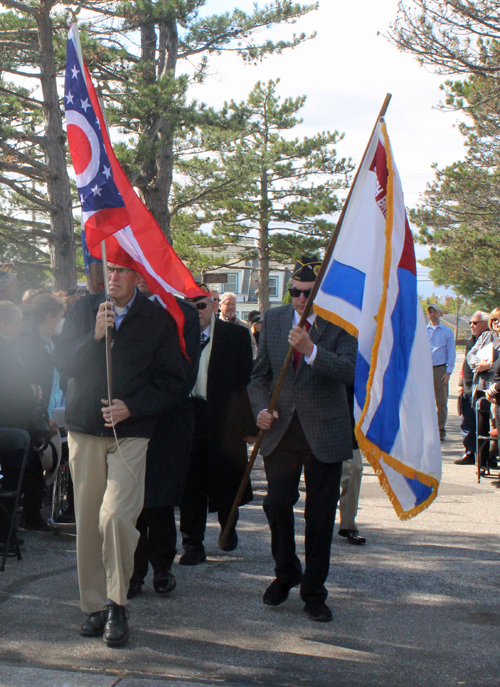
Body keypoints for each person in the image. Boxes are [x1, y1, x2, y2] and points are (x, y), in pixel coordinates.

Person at [55, 265, 186, 647]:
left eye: (123, 271)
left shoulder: (157, 318)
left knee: (116, 516)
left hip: (131, 434)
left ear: (137, 277)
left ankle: (117, 604)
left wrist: (133, 406)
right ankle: (93, 607)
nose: (113, 277)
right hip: (84, 429)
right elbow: (63, 365)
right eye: (110, 269)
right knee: (88, 519)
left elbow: (173, 382)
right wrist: (94, 337)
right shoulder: (83, 310)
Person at [248, 255, 357, 623]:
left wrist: (311, 350)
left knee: (320, 516)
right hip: (281, 432)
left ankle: (314, 591)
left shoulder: (340, 322)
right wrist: (261, 408)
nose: (299, 299)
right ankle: (286, 571)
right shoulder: (275, 320)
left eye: (307, 293)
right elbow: (258, 376)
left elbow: (350, 370)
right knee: (276, 504)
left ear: (320, 294)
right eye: (294, 291)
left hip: (324, 431)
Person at [128, 278, 200, 599]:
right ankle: (132, 571)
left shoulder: (184, 313)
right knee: (132, 500)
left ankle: (161, 567)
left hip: (168, 420)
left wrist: (143, 402)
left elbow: (184, 374)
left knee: (160, 499)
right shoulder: (123, 311)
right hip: (129, 419)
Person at [179, 285, 256, 565]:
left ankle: (228, 524)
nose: (196, 312)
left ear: (213, 306)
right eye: (189, 306)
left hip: (225, 417)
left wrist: (250, 425)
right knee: (191, 483)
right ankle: (192, 544)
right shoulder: (176, 335)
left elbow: (246, 380)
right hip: (190, 415)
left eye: (200, 306)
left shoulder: (235, 335)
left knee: (228, 476)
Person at [17, 293, 66, 530]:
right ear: (49, 317)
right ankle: (32, 514)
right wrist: (44, 415)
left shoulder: (54, 343)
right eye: (60, 316)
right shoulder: (30, 345)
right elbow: (33, 385)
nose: (62, 321)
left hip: (57, 410)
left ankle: (40, 510)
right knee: (36, 463)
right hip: (36, 414)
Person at [455, 312, 490, 465]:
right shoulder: (472, 341)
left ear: (485, 323)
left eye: (475, 323)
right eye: (470, 322)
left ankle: (485, 456)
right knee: (466, 422)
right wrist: (460, 383)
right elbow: (465, 364)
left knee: (483, 423)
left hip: (482, 387)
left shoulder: (490, 341)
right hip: (467, 386)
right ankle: (469, 453)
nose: (471, 326)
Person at [467, 308, 500, 469]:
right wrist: (478, 364)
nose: (496, 323)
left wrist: (490, 365)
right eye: (494, 320)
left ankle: (494, 458)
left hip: (496, 388)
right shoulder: (487, 336)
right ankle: (482, 462)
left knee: (496, 425)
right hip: (482, 386)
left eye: (499, 319)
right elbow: (471, 354)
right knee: (482, 426)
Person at [338, 386, 365, 545]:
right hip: (319, 421)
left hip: (350, 423)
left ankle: (348, 525)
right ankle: (319, 524)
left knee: (355, 468)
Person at [426, 304, 456, 441]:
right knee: (426, 402)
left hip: (440, 369)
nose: (432, 314)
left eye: (435, 312)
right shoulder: (423, 331)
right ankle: (427, 430)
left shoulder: (447, 331)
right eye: (430, 312)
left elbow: (451, 353)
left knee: (441, 402)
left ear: (440, 313)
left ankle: (440, 431)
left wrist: (448, 372)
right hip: (425, 370)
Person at [220, 292, 257, 357]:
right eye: (228, 304)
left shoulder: (244, 326)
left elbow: (253, 345)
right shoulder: (215, 325)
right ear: (220, 306)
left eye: (233, 304)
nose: (231, 307)